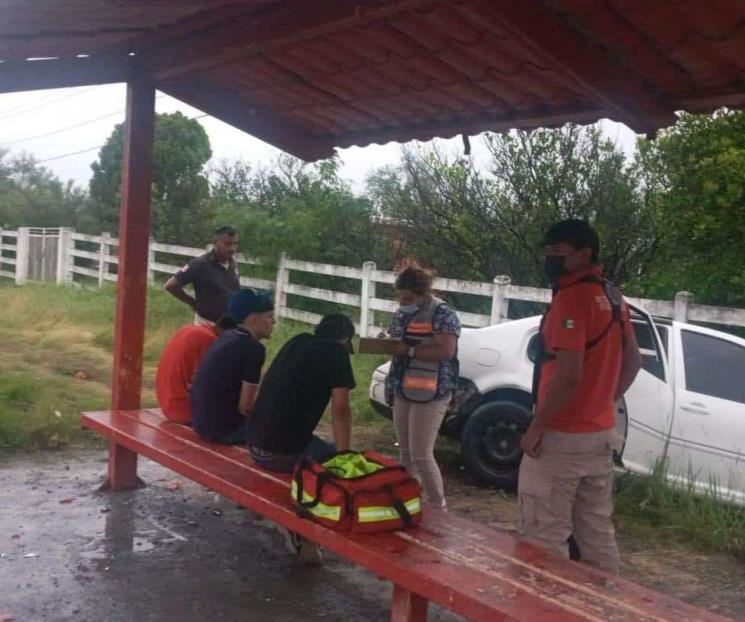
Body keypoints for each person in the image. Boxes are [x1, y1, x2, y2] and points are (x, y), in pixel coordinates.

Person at [518, 219, 641, 575]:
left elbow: (568, 376)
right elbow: (633, 360)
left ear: (585, 254)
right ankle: (603, 608)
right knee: (596, 533)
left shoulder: (571, 299)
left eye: (558, 254)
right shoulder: (613, 297)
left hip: (562, 438)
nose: (550, 261)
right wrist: (604, 399)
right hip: (601, 434)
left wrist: (536, 429)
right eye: (548, 254)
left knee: (543, 533)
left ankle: (544, 608)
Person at [385, 266, 461, 510]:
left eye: (408, 297)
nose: (403, 302)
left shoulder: (443, 314)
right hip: (402, 386)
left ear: (422, 293)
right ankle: (410, 502)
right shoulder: (402, 313)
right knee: (406, 453)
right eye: (401, 297)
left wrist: (409, 351)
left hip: (432, 390)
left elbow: (446, 351)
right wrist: (384, 342)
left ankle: (438, 507)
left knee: (421, 453)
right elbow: (396, 337)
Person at [248, 313, 356, 473]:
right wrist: (346, 456)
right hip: (281, 455)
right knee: (342, 461)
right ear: (346, 340)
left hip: (254, 445)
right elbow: (341, 411)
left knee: (327, 447)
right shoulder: (336, 353)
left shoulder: (298, 341)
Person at [190, 288, 275, 444]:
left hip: (202, 424)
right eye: (269, 317)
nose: (274, 322)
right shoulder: (253, 349)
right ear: (253, 319)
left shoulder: (226, 337)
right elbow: (246, 407)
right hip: (225, 431)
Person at [155, 315, 237, 424]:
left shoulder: (188, 330)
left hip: (167, 403)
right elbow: (207, 384)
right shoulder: (209, 339)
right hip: (183, 410)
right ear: (230, 333)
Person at [164, 225, 240, 323]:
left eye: (235, 244)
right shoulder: (200, 264)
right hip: (208, 323)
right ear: (216, 242)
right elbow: (171, 285)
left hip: (230, 324)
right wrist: (193, 303)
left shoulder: (232, 263)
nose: (232, 248)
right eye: (227, 244)